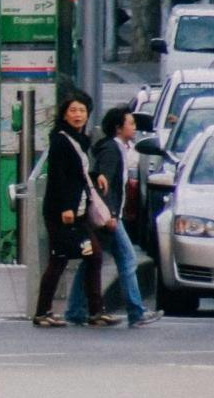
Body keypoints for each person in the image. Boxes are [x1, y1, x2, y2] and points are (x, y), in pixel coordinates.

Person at [66, 107, 162, 329]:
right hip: (108, 217)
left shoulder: (115, 149)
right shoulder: (112, 150)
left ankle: (75, 310)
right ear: (119, 128)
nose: (134, 128)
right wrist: (109, 214)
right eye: (131, 124)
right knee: (127, 260)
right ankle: (136, 312)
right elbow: (104, 184)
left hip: (109, 215)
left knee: (91, 262)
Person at [32, 91, 108, 327]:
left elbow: (79, 172)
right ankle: (43, 312)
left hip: (79, 211)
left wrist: (96, 176)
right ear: (64, 114)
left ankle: (94, 311)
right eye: (73, 110)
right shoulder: (60, 140)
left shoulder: (78, 139)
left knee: (92, 256)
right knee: (61, 259)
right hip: (62, 214)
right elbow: (58, 177)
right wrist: (66, 208)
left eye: (82, 110)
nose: (78, 115)